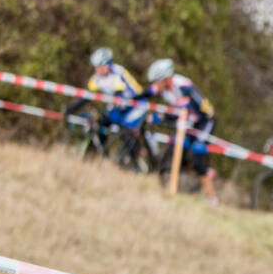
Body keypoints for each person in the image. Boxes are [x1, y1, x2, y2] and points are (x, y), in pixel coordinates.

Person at [143, 58, 217, 204]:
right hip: (186, 123)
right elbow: (144, 95)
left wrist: (168, 116)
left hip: (204, 122)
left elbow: (204, 110)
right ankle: (174, 187)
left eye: (157, 82)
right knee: (177, 148)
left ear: (166, 79)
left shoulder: (184, 86)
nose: (155, 86)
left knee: (197, 154)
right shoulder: (163, 89)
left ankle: (212, 197)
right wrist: (159, 117)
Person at [86, 47, 147, 146]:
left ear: (108, 64)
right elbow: (87, 95)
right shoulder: (97, 77)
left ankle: (133, 156)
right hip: (121, 105)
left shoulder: (118, 72)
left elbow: (118, 93)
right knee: (102, 123)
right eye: (96, 67)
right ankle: (102, 152)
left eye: (100, 67)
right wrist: (71, 107)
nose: (98, 70)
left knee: (125, 129)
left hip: (136, 104)